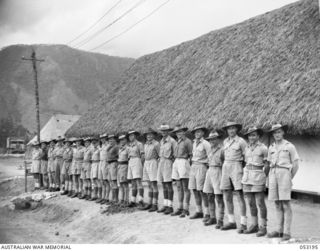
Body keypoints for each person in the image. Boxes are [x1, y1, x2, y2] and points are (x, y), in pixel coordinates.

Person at [267, 124, 299, 241]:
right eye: (275, 132)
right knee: (276, 203)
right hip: (273, 173)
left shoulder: (289, 146)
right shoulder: (271, 147)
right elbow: (269, 162)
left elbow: (295, 164)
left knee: (285, 203)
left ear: (283, 133)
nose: (277, 134)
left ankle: (287, 232)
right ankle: (279, 230)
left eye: (279, 132)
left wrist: (289, 176)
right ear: (272, 134)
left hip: (285, 173)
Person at [220, 121, 247, 233]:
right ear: (226, 130)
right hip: (226, 167)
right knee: (227, 194)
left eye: (233, 128)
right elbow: (222, 156)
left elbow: (246, 157)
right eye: (229, 128)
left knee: (239, 195)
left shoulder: (241, 141)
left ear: (236, 129)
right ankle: (231, 222)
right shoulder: (225, 141)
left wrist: (240, 167)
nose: (231, 130)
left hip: (237, 167)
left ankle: (243, 224)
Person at [242, 126, 268, 236]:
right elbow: (245, 162)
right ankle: (254, 225)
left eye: (254, 135)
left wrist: (263, 176)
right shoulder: (247, 148)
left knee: (260, 203)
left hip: (258, 176)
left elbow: (267, 164)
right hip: (247, 176)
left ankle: (263, 227)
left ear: (258, 136)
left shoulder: (263, 148)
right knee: (250, 203)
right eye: (249, 135)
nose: (251, 137)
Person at [203, 131, 225, 228]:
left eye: (214, 139)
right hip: (210, 170)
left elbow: (224, 162)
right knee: (209, 195)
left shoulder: (222, 150)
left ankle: (220, 220)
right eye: (211, 139)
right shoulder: (209, 149)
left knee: (218, 196)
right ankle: (212, 217)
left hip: (218, 171)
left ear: (218, 139)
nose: (212, 141)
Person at [189, 126, 211, 221]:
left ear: (203, 133)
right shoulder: (194, 143)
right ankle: (199, 211)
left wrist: (207, 168)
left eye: (199, 132)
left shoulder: (206, 143)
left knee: (202, 190)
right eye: (196, 132)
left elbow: (210, 156)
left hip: (202, 166)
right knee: (194, 189)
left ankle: (207, 213)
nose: (197, 133)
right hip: (193, 166)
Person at [171, 125, 192, 217]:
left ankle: (186, 209)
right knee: (178, 186)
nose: (178, 133)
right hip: (176, 162)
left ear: (184, 132)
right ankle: (180, 207)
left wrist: (189, 166)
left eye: (180, 132)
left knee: (185, 187)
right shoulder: (177, 142)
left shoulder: (188, 141)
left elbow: (191, 155)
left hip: (184, 162)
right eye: (177, 132)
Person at [157, 124, 177, 215]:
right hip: (161, 162)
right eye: (162, 131)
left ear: (168, 131)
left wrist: (172, 163)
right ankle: (165, 205)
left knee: (168, 184)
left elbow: (176, 154)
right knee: (163, 184)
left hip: (168, 163)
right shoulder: (161, 141)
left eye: (165, 131)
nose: (163, 132)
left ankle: (170, 206)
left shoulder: (172, 141)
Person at [141, 128, 160, 211]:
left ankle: (155, 204)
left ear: (153, 135)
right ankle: (149, 202)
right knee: (149, 184)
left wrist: (157, 164)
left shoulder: (156, 144)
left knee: (154, 184)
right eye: (147, 134)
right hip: (146, 162)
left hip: (153, 162)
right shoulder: (145, 144)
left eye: (150, 134)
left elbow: (160, 155)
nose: (149, 136)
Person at [127, 131, 145, 208]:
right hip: (131, 161)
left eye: (132, 135)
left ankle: (141, 200)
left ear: (135, 136)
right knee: (133, 182)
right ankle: (133, 200)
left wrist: (140, 164)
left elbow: (142, 155)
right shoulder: (129, 145)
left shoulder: (139, 144)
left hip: (137, 160)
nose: (131, 137)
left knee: (138, 181)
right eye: (129, 136)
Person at [96, 133, 110, 204]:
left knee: (106, 181)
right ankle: (103, 197)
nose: (102, 139)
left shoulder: (108, 145)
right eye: (101, 138)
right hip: (100, 163)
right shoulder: (100, 146)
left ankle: (107, 197)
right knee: (101, 181)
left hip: (105, 163)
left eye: (104, 138)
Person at [117, 134, 130, 205]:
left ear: (126, 140)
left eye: (123, 139)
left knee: (125, 184)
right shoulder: (120, 148)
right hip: (120, 166)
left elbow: (129, 158)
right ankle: (121, 199)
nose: (122, 141)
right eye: (120, 140)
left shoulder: (128, 148)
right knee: (121, 184)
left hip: (125, 166)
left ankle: (126, 200)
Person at [106, 134, 119, 203]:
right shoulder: (109, 147)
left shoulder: (116, 147)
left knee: (114, 181)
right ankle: (113, 198)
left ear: (115, 140)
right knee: (111, 181)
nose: (110, 140)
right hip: (109, 164)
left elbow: (118, 156)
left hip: (114, 163)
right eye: (109, 139)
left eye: (112, 139)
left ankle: (116, 198)